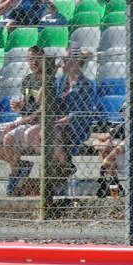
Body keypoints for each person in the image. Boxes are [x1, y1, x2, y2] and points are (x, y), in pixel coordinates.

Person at [0, 44, 43, 195]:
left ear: (43, 60)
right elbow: (25, 104)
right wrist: (18, 106)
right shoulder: (27, 79)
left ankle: (14, 174)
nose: (34, 62)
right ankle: (20, 165)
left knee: (8, 137)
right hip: (22, 120)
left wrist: (18, 122)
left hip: (35, 124)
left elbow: (41, 111)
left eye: (37, 59)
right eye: (30, 59)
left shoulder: (48, 80)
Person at [50, 47, 96, 180]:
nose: (62, 63)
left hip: (76, 125)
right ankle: (64, 166)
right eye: (62, 60)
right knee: (49, 130)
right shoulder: (60, 82)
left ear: (76, 63)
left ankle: (64, 166)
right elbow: (48, 102)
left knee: (52, 131)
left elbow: (84, 112)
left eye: (65, 60)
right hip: (58, 123)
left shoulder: (85, 84)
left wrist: (66, 119)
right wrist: (50, 74)